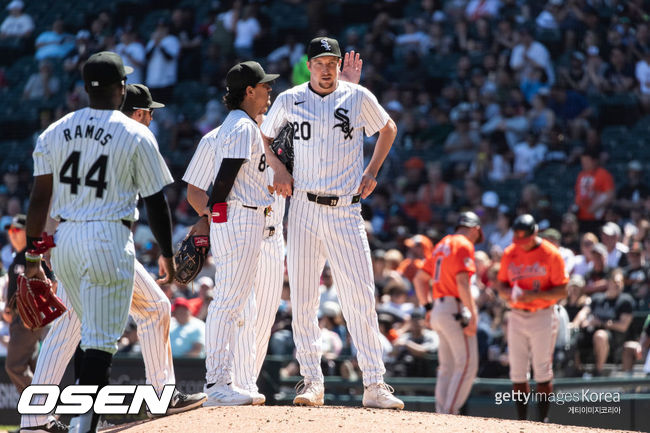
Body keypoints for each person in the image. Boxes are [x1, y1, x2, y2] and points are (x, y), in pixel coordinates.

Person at [21, 83, 207, 433]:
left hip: (67, 242)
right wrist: (166, 252)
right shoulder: (132, 137)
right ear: (136, 112)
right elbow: (156, 202)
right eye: (149, 111)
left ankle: (34, 419)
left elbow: (45, 196)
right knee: (153, 308)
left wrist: (41, 253)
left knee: (68, 327)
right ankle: (160, 395)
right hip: (104, 241)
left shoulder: (75, 139)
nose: (152, 117)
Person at [260, 36, 403, 410]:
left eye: (332, 62)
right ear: (309, 65)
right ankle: (311, 381)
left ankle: (374, 384)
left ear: (340, 65)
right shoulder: (290, 99)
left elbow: (388, 128)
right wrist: (277, 168)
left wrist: (372, 171)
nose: (326, 68)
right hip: (304, 208)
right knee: (304, 299)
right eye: (319, 62)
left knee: (360, 297)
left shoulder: (358, 96)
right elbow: (264, 134)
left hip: (345, 210)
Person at [183, 60, 277, 406]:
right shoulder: (240, 126)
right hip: (239, 217)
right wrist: (213, 215)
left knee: (238, 305)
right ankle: (217, 382)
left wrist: (214, 216)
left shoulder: (243, 126)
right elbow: (224, 178)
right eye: (264, 86)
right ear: (248, 91)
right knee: (227, 303)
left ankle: (234, 381)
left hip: (243, 218)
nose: (269, 91)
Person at [497, 214, 568, 422]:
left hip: (542, 314)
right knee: (517, 371)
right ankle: (522, 421)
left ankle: (542, 421)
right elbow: (501, 283)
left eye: (524, 239)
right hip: (517, 314)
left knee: (542, 368)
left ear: (534, 233)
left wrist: (534, 296)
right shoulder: (510, 252)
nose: (521, 244)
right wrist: (507, 294)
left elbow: (562, 290)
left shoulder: (550, 253)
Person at [413, 211, 483, 414]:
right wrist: (473, 313)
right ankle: (449, 413)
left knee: (447, 367)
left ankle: (441, 413)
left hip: (438, 309)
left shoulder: (441, 244)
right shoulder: (463, 244)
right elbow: (462, 282)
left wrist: (427, 307)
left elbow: (419, 279)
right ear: (475, 229)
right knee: (467, 364)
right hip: (455, 309)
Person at [3, 214, 52, 393]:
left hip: (29, 319)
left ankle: (41, 406)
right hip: (19, 319)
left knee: (14, 366)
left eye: (17, 230)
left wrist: (36, 312)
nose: (12, 234)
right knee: (34, 368)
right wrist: (9, 309)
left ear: (28, 232)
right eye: (10, 231)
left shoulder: (33, 255)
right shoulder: (17, 258)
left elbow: (51, 284)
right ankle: (45, 412)